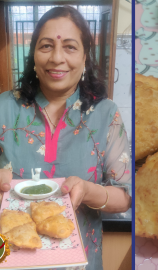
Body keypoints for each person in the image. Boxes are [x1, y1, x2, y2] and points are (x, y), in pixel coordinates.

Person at [0, 6, 131, 270]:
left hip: (81, 262)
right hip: (11, 258)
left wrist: (88, 190)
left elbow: (125, 195)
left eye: (70, 47)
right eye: (46, 46)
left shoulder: (105, 114)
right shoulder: (4, 107)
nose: (57, 58)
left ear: (85, 57)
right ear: (34, 55)